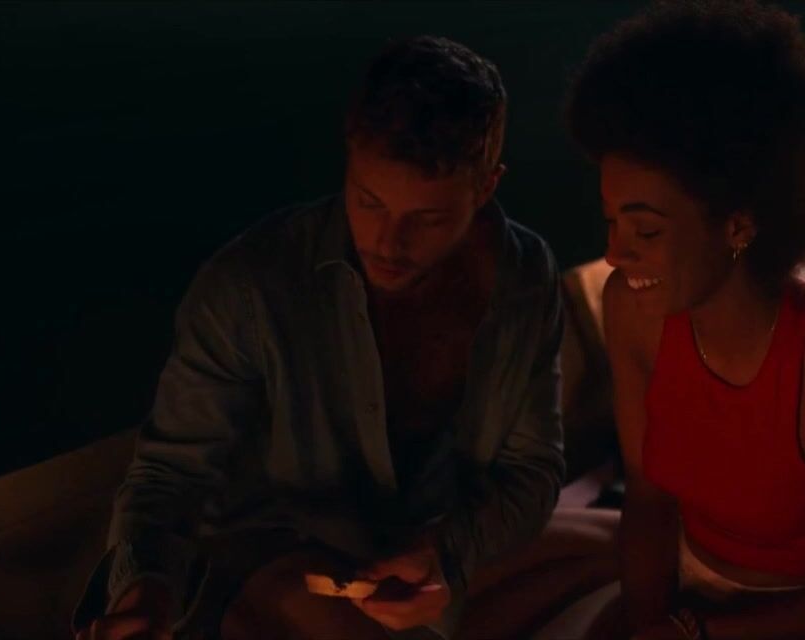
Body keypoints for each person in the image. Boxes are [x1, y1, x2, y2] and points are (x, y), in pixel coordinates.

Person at [73, 35, 616, 640]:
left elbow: (532, 470)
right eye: (369, 202)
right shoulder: (253, 285)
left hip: (428, 544)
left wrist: (446, 551)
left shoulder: (523, 275)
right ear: (350, 162)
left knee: (633, 553)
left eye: (427, 219)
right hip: (280, 550)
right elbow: (169, 476)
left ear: (486, 186)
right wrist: (146, 590)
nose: (388, 242)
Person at [566, 1, 805, 638]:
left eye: (645, 231)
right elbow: (648, 500)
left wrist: (701, 635)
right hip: (685, 592)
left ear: (738, 224)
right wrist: (650, 624)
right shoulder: (635, 309)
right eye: (611, 221)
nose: (615, 254)